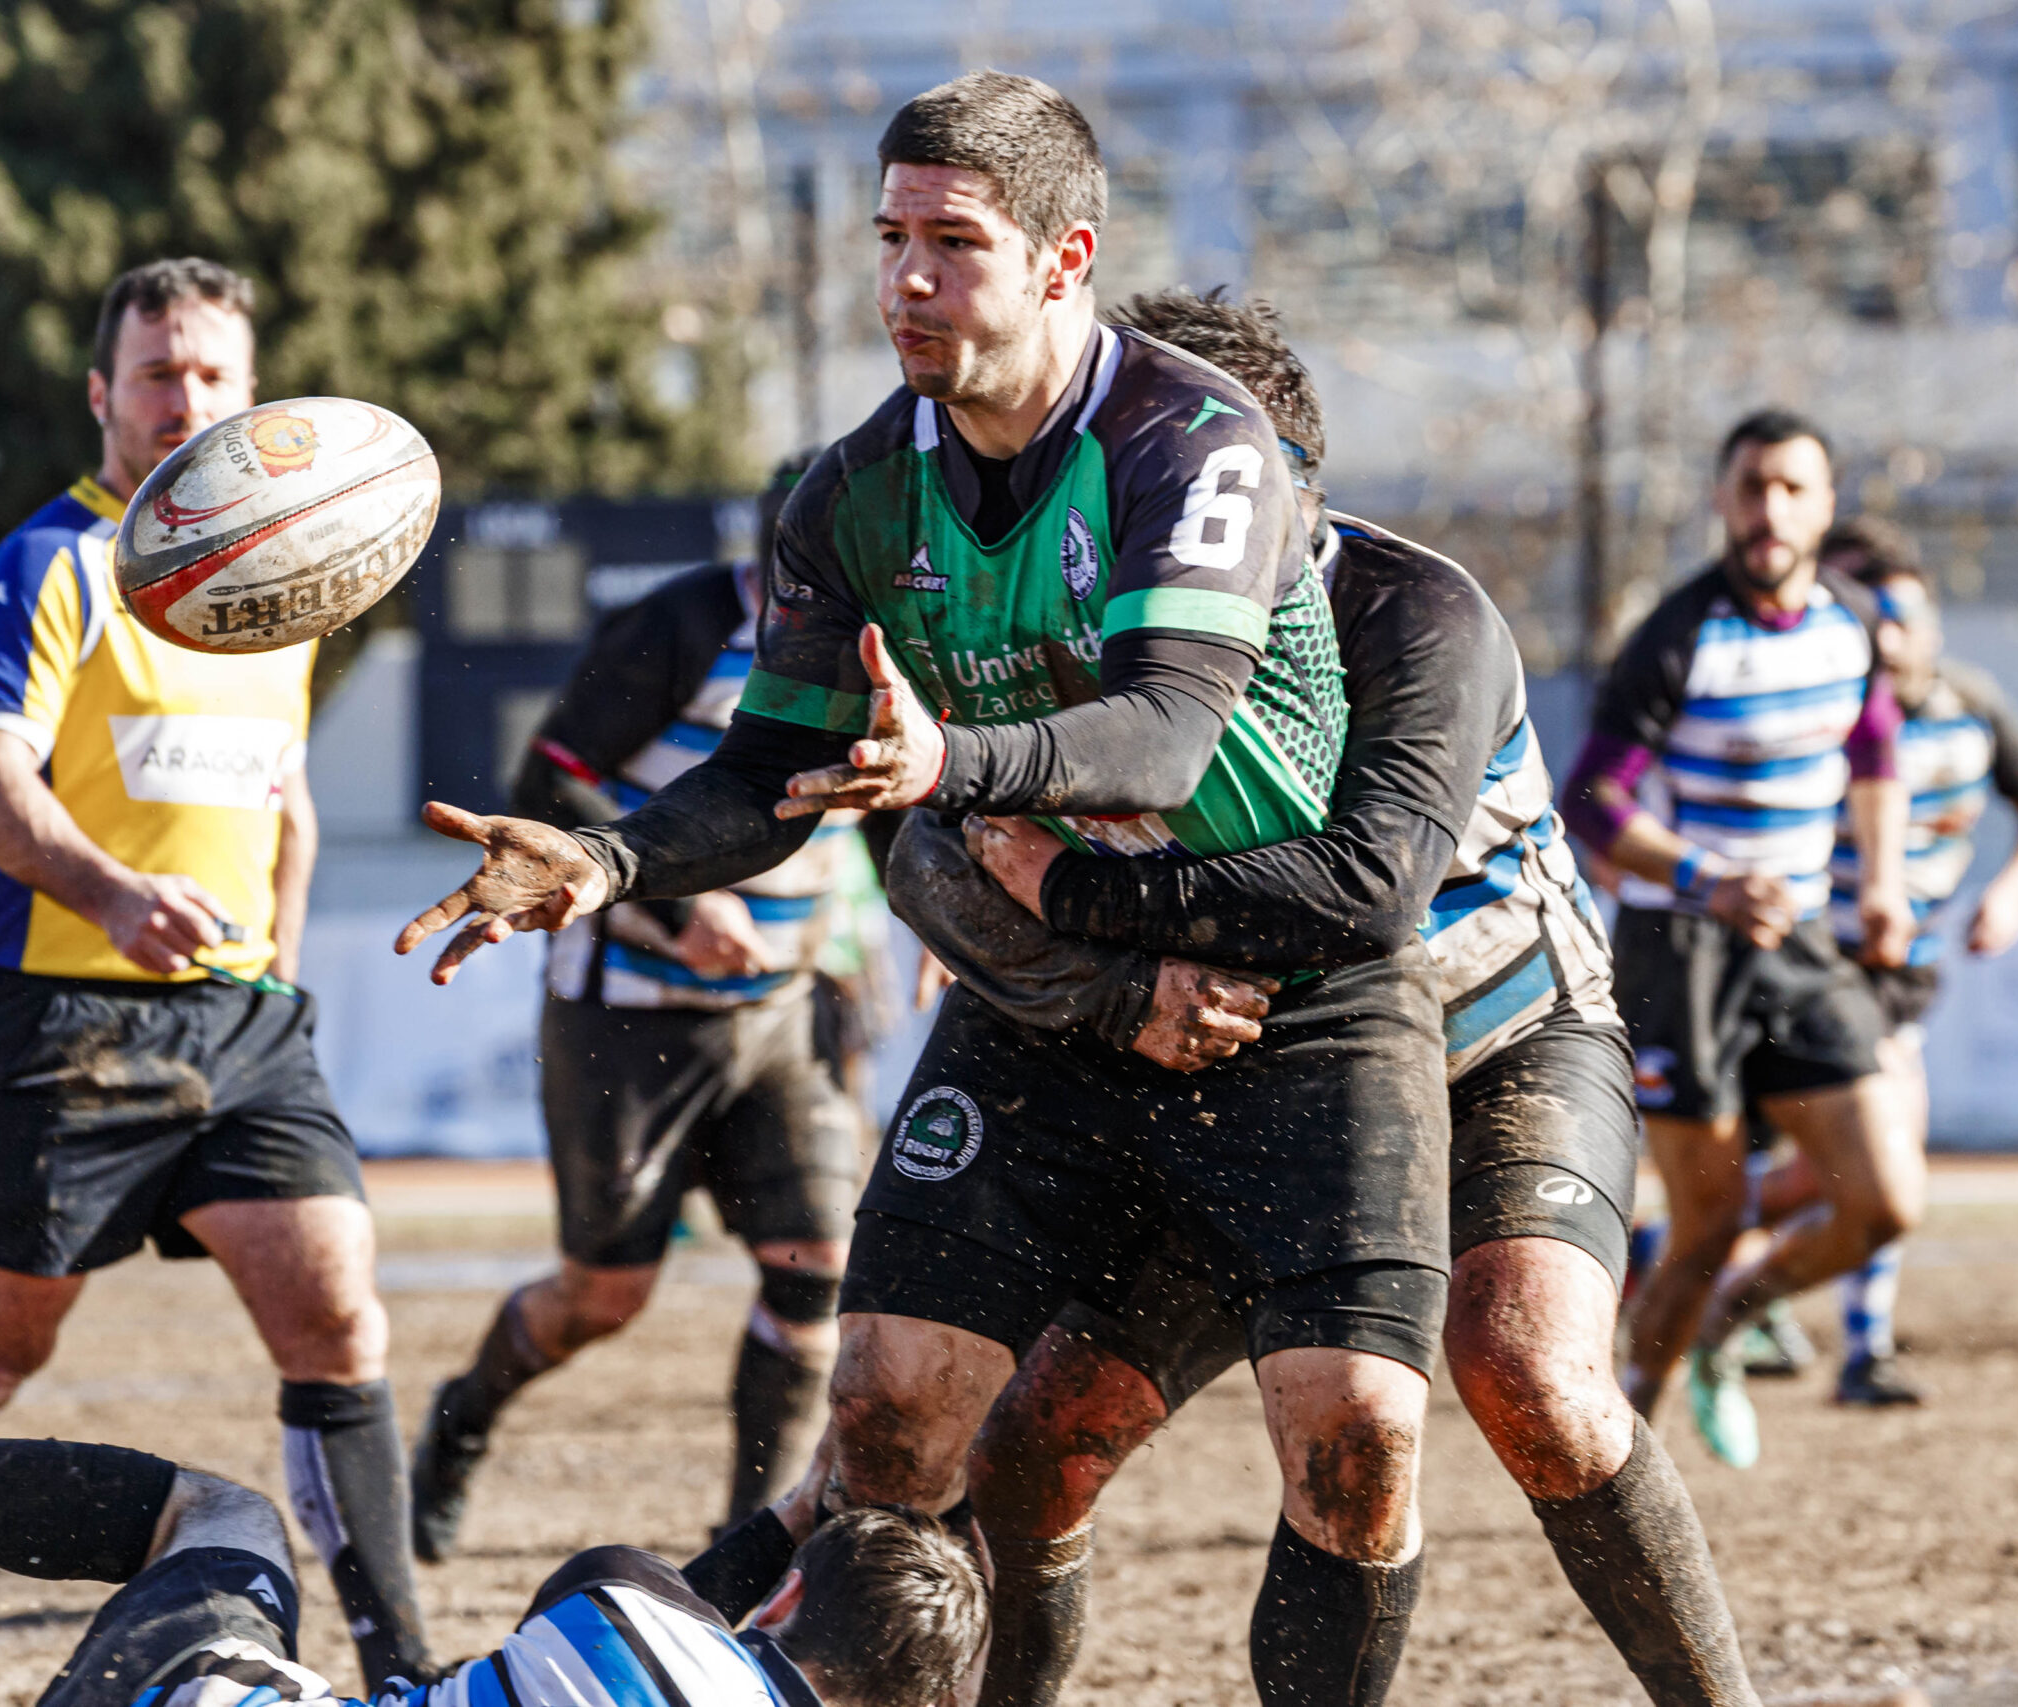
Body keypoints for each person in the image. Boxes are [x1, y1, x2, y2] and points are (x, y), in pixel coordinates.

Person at [396, 73, 1448, 1707]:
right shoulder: (847, 493)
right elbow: (769, 773)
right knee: (882, 1414)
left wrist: (945, 763)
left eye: (951, 242)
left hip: (1300, 997)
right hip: (1046, 1003)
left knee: (1361, 1438)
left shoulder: (1191, 439)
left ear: (1062, 256)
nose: (904, 278)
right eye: (890, 238)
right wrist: (605, 861)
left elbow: (1167, 734)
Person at [860, 286, 1754, 1707]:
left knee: (1528, 1375)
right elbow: (928, 840)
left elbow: (1370, 886)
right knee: (1035, 1445)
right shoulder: (1078, 608)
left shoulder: (1420, 614)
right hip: (1271, 1072)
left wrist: (1081, 902)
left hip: (1494, 1036)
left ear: (1265, 481)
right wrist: (1105, 979)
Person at [0, 256, 432, 1689]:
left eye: (215, 375)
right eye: (159, 373)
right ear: (105, 392)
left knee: (339, 1309)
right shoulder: (50, 563)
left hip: (242, 1025)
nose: (188, 400)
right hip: (67, 1019)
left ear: (253, 396)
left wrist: (279, 985)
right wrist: (107, 889)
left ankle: (405, 1667)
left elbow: (283, 802)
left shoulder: (275, 582)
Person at [0, 1317, 989, 1707]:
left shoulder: (628, 1602)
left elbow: (656, 1596)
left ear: (792, 1593)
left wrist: (802, 1501)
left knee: (222, 1518)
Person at [412, 453, 867, 1559]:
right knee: (603, 1295)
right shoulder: (678, 624)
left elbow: (894, 798)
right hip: (628, 1010)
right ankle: (463, 1417)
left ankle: (745, 1540)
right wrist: (676, 916)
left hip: (783, 1013)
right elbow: (545, 785)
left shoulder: (893, 637)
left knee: (816, 1264)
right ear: (773, 564)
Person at [1561, 408, 1919, 1469]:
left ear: (1824, 504)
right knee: (1703, 1222)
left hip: (1801, 945)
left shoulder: (1848, 621)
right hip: (1685, 955)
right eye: (1750, 487)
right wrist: (1709, 880)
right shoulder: (1678, 636)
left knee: (1885, 1203)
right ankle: (1622, 1454)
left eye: (1790, 489)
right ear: (1721, 499)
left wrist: (1884, 881)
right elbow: (1593, 803)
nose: (1768, 510)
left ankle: (1727, 1325)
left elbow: (1872, 751)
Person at [1756, 516, 2018, 1407]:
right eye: (1859, 615)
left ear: (1932, 622)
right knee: (1881, 1160)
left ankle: (1682, 1259)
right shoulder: (1819, 706)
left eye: (1896, 615)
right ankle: (1858, 1345)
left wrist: (2009, 895)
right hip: (1812, 961)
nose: (1882, 636)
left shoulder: (1973, 702)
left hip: (1903, 969)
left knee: (1836, 1174)